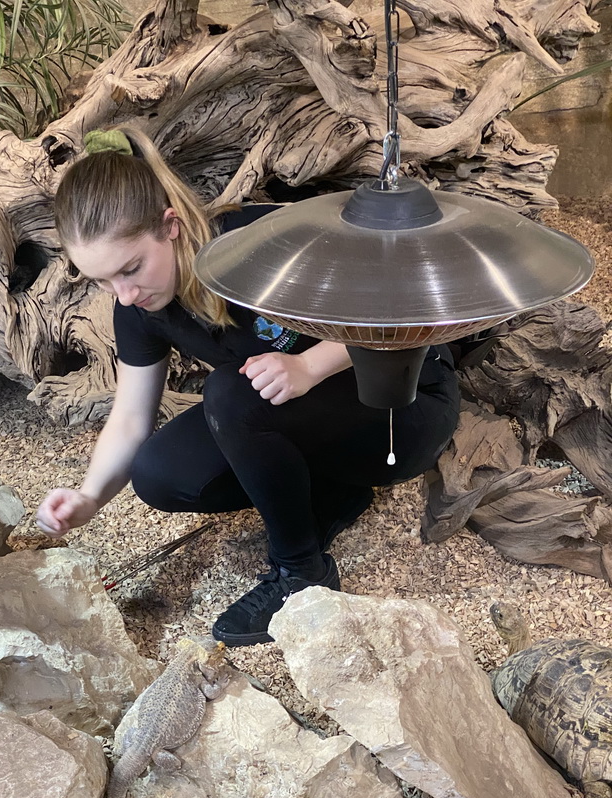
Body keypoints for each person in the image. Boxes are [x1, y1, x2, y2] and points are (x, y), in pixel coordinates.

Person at [36, 125, 460, 647]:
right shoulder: (140, 306)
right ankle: (331, 496)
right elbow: (129, 418)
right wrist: (89, 497)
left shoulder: (260, 240)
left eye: (130, 269)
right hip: (307, 417)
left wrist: (310, 365)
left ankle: (302, 570)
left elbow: (403, 311)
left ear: (169, 226)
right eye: (101, 281)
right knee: (159, 474)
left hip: (404, 405)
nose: (121, 295)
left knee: (232, 395)